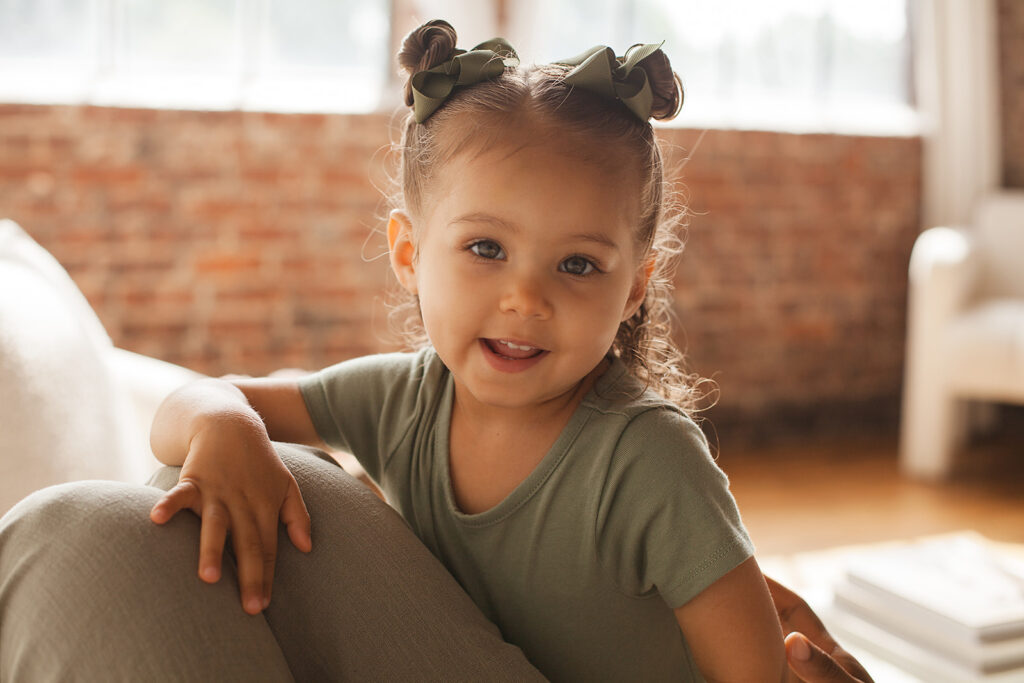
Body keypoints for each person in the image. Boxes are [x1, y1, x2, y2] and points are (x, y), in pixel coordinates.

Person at [0, 19, 872, 682]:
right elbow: (199, 399)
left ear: (633, 287)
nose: (525, 298)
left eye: (578, 264)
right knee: (207, 483)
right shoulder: (405, 400)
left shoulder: (647, 460)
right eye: (486, 248)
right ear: (409, 253)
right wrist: (223, 419)